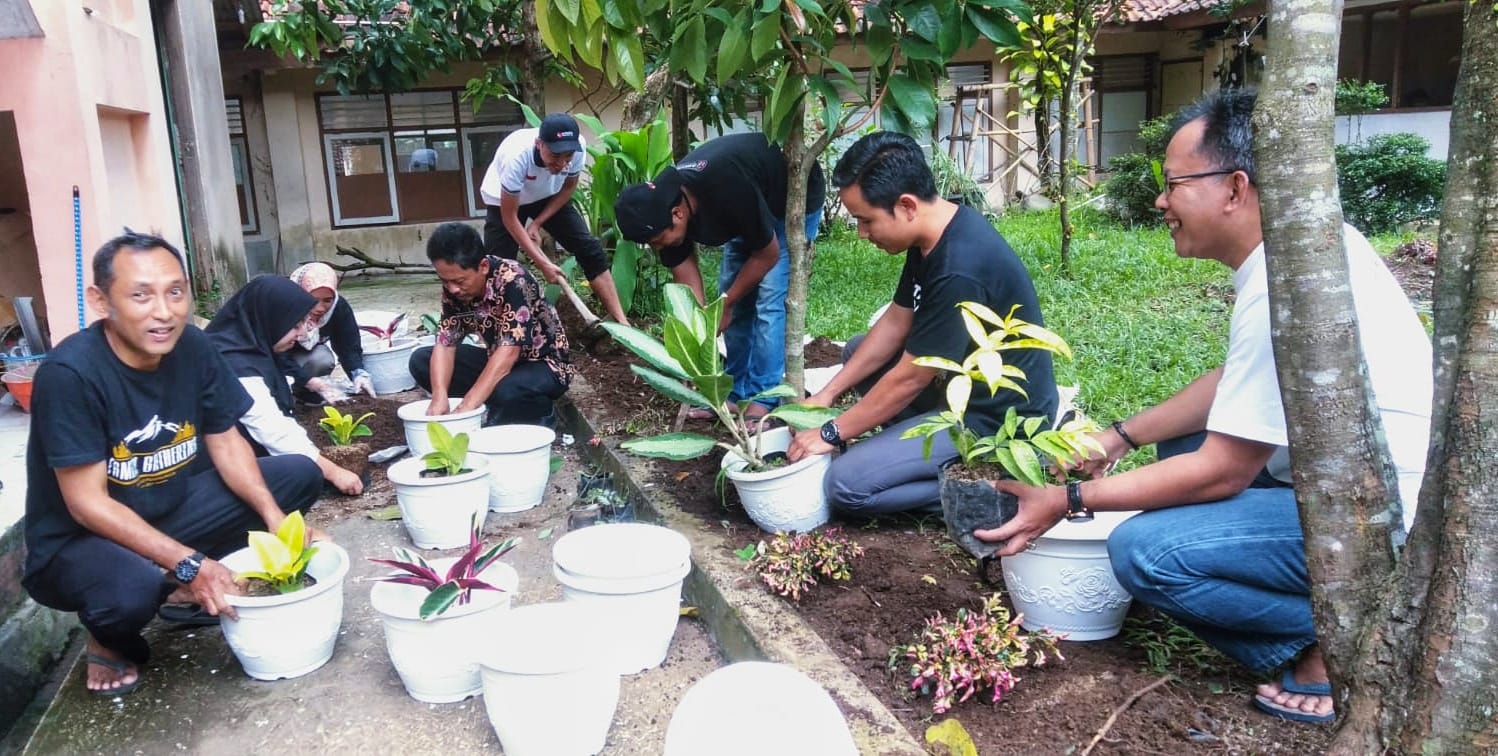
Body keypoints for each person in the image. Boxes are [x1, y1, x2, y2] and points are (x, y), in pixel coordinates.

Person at [977, 88, 1433, 724]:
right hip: (1346, 486)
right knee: (1177, 448)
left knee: (1144, 553)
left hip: (1384, 523)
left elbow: (1223, 472)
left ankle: (1345, 640)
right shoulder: (1305, 252)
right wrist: (1118, 438)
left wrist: (1068, 501)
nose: (1161, 201)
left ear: (1235, 188)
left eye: (1173, 184)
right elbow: (1235, 384)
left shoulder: (1283, 284)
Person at [21, 232, 324, 696]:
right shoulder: (70, 375)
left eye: (175, 292)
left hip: (167, 507)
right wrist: (191, 564)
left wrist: (275, 518)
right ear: (101, 301)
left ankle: (171, 581)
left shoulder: (193, 347)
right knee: (128, 593)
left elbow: (227, 441)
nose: (164, 312)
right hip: (78, 541)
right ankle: (111, 634)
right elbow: (86, 505)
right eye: (141, 295)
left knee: (298, 475)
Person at [784, 131, 1057, 515]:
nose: (862, 233)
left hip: (994, 421)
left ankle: (990, 488)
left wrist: (831, 432)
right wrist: (825, 396)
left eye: (866, 220)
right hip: (955, 390)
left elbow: (911, 377)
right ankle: (913, 451)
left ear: (907, 205)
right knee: (858, 351)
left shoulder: (959, 267)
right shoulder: (934, 234)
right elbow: (897, 321)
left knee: (845, 485)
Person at [614, 132, 825, 421]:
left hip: (790, 198)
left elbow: (767, 254)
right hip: (747, 212)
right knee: (732, 298)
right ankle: (734, 392)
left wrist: (726, 303)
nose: (658, 248)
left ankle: (766, 397)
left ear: (678, 214)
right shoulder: (663, 207)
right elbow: (689, 289)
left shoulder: (726, 187)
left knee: (769, 302)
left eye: (658, 241)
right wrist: (699, 335)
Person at [206, 275, 365, 495]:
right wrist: (334, 472)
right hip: (218, 468)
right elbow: (272, 431)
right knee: (303, 472)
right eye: (295, 325)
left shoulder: (253, 344)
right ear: (271, 320)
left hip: (242, 454)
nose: (302, 333)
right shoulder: (236, 364)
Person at [409, 222, 572, 427]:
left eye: (459, 281)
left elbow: (509, 352)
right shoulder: (454, 289)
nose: (452, 289)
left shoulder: (514, 280)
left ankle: (539, 412)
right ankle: (495, 404)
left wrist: (467, 406)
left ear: (483, 266)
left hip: (543, 365)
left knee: (506, 390)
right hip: (496, 358)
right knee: (421, 361)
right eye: (445, 281)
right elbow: (446, 343)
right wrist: (439, 396)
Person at [479, 112, 629, 326]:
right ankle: (500, 328)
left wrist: (537, 223)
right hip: (504, 201)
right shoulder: (516, 156)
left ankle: (622, 323)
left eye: (567, 156)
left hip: (548, 196)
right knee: (499, 267)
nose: (561, 163)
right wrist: (543, 264)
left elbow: (568, 188)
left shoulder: (577, 148)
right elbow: (509, 217)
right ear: (539, 143)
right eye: (555, 155)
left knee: (589, 248)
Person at [283, 262, 375, 404]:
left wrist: (358, 373)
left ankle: (302, 392)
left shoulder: (338, 307)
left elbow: (348, 345)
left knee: (322, 358)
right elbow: (272, 354)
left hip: (303, 356)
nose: (320, 308)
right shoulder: (283, 306)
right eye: (313, 300)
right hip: (272, 359)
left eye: (327, 300)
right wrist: (307, 380)